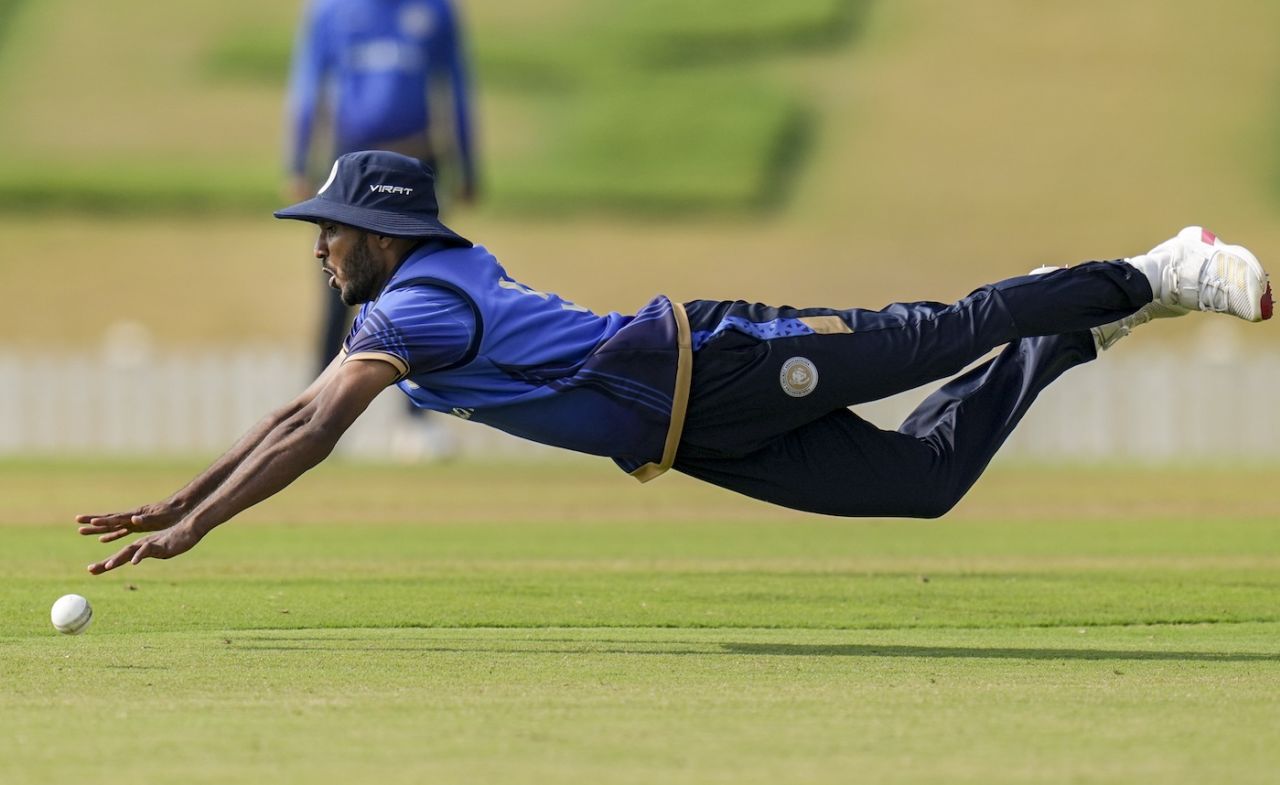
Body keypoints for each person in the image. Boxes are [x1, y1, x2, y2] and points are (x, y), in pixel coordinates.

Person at [76, 151, 1273, 574]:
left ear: (384, 236)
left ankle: (1156, 267)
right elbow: (295, 406)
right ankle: (1078, 330)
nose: (321, 246)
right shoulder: (388, 309)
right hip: (686, 433)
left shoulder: (420, 307)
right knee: (923, 481)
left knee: (951, 326)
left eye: (331, 228)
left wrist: (200, 527)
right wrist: (182, 494)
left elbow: (313, 428)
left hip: (721, 358)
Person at [286, 0, 478, 458]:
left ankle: (416, 421)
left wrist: (466, 163)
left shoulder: (435, 10)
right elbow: (309, 85)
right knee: (339, 286)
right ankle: (314, 417)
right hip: (350, 165)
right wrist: (298, 159)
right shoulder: (329, 10)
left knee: (415, 290)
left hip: (415, 164)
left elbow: (454, 88)